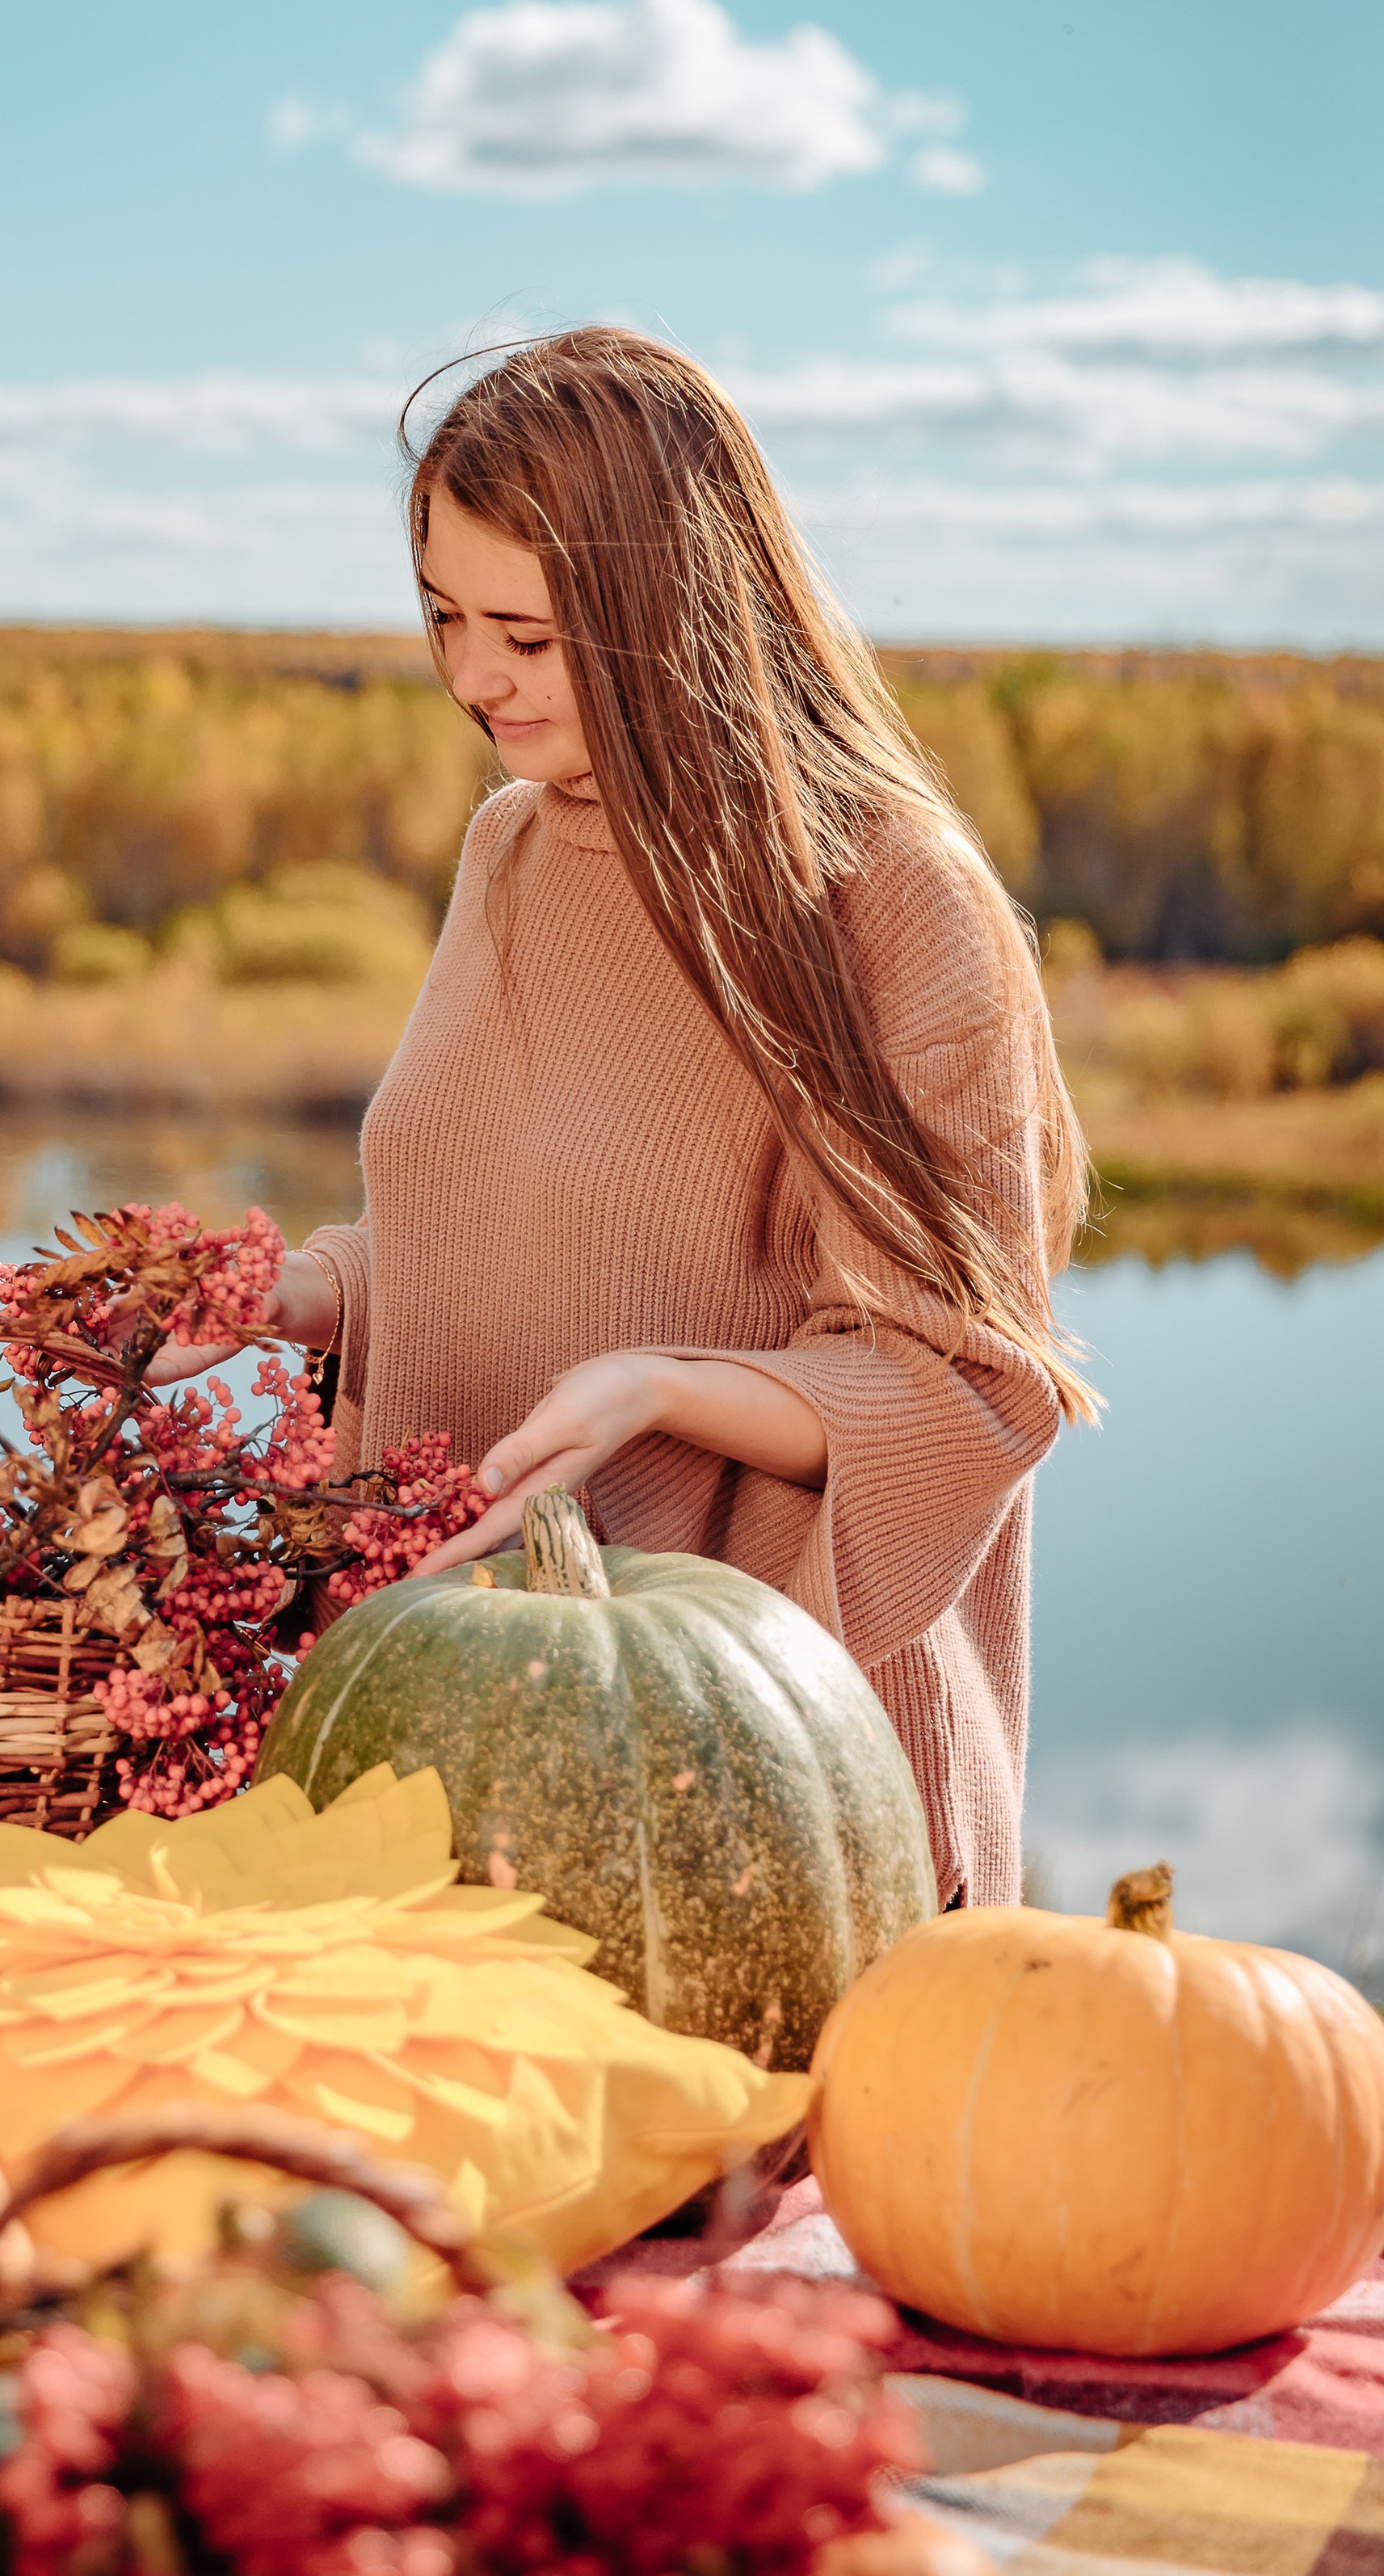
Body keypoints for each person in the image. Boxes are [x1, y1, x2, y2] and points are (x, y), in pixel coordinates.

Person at [161, 327, 1095, 1912]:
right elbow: (497, 1236)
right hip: (468, 1747)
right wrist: (294, 1291)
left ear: (671, 607)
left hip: (763, 1788)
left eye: (525, 634)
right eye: (444, 619)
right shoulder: (512, 852)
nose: (473, 679)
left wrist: (660, 1393)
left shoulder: (888, 901)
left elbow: (964, 1383)